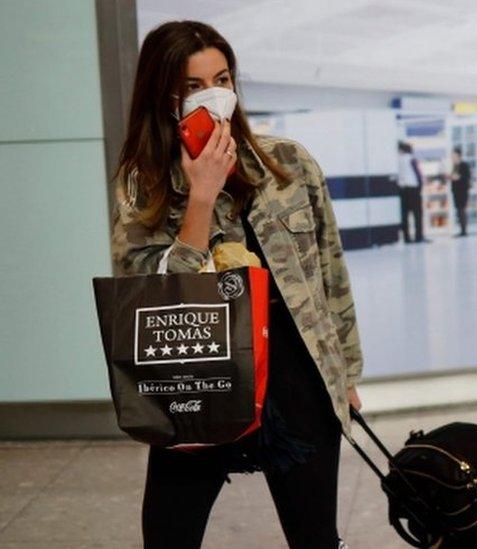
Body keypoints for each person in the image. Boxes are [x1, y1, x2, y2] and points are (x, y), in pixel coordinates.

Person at [110, 21, 362, 549]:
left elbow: (330, 275)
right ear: (164, 96)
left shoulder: (289, 163)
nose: (212, 96)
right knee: (168, 534)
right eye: (192, 87)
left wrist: (347, 376)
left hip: (299, 382)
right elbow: (151, 303)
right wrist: (201, 197)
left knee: (316, 537)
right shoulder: (145, 186)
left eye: (221, 79)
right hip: (199, 387)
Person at [397, 141, 427, 243]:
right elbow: (418, 175)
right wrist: (420, 187)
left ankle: (407, 238)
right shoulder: (411, 159)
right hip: (413, 189)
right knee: (417, 214)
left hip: (402, 190)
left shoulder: (397, 160)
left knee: (405, 214)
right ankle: (419, 236)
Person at [448, 147, 471, 236]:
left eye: (453, 155)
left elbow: (466, 177)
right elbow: (453, 177)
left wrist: (458, 177)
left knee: (462, 210)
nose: (452, 157)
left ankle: (464, 231)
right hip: (456, 191)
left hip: (463, 191)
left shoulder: (464, 165)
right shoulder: (454, 166)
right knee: (459, 210)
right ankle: (462, 230)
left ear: (458, 155)